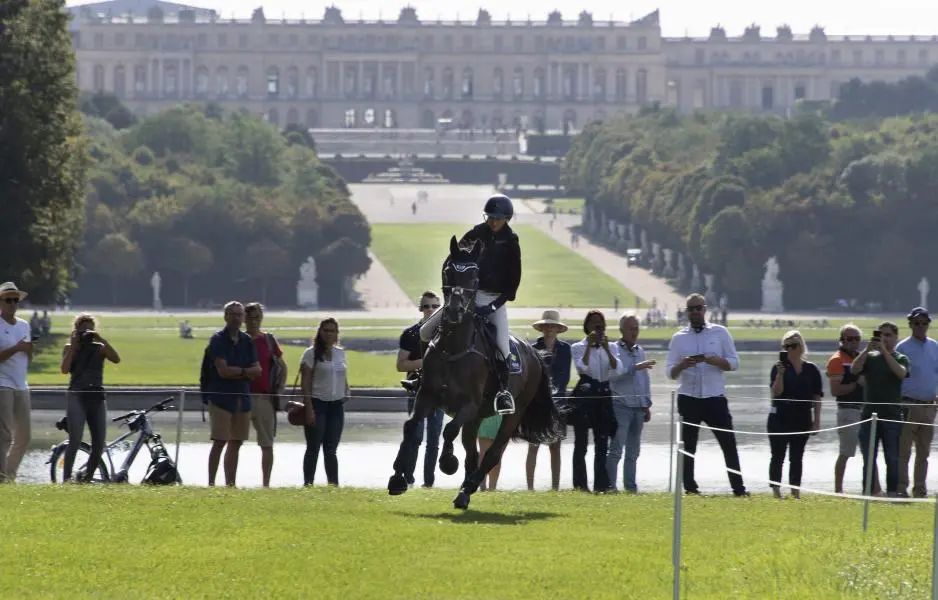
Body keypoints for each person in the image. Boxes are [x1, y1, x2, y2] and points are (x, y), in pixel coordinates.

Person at [666, 293, 748, 496]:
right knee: (688, 447)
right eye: (691, 309)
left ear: (705, 309)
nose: (694, 312)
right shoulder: (678, 338)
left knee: (728, 444)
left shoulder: (720, 333)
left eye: (698, 308)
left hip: (714, 397)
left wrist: (715, 361)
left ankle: (738, 488)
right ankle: (690, 488)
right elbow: (669, 372)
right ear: (686, 312)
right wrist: (682, 365)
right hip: (689, 398)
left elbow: (734, 363)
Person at [457, 194, 522, 415]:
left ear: (507, 219)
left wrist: (491, 308)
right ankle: (422, 378)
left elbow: (512, 286)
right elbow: (455, 257)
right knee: (429, 330)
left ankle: (503, 393)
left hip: (494, 300)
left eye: (498, 218)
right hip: (467, 295)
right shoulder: (475, 233)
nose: (493, 221)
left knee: (503, 347)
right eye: (491, 217)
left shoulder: (512, 243)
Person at [205, 301, 261, 487]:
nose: (237, 318)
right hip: (221, 397)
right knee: (220, 441)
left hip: (242, 398)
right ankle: (211, 483)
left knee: (236, 442)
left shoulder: (247, 341)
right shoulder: (218, 340)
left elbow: (257, 369)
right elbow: (223, 371)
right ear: (225, 316)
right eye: (233, 314)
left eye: (240, 314)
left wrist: (239, 371)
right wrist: (245, 372)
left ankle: (231, 484)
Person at [59, 314, 120, 482]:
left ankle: (87, 479)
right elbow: (64, 370)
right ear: (76, 330)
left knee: (99, 444)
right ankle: (66, 480)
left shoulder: (99, 347)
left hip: (97, 397)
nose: (86, 333)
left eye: (90, 329)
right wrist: (73, 346)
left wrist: (100, 339)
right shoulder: (69, 347)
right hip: (77, 395)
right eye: (83, 329)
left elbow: (116, 359)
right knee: (75, 439)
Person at [852, 322, 910, 497]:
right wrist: (866, 350)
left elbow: (900, 373)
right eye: (881, 335)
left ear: (895, 337)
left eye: (888, 335)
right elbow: (854, 369)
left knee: (892, 457)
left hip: (891, 415)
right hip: (870, 415)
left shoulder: (901, 358)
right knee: (869, 458)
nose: (884, 338)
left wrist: (884, 352)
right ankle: (869, 492)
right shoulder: (870, 357)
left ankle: (892, 492)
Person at [396, 291, 445, 488]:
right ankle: (408, 478)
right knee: (415, 437)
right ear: (420, 309)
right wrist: (427, 362)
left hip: (440, 393)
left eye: (434, 306)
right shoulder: (410, 334)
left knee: (433, 441)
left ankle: (429, 482)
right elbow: (400, 365)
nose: (430, 310)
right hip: (417, 391)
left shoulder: (446, 335)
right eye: (426, 306)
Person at [768, 331, 822, 499]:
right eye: (786, 346)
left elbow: (817, 396)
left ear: (801, 347)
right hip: (780, 417)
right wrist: (781, 374)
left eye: (793, 346)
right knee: (778, 455)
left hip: (802, 417)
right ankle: (776, 490)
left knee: (797, 457)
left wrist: (817, 421)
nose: (789, 349)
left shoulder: (811, 369)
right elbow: (777, 392)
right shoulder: (778, 368)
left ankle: (795, 491)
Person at [570, 310, 618, 492]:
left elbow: (617, 369)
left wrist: (605, 348)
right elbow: (582, 368)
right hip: (586, 394)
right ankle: (580, 485)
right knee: (581, 443)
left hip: (604, 394)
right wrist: (590, 346)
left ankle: (601, 485)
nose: (598, 327)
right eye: (594, 324)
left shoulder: (611, 347)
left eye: (601, 324)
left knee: (602, 442)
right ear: (587, 326)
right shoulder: (577, 347)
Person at [607, 314, 654, 493]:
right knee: (616, 449)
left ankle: (631, 487)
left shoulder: (639, 350)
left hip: (639, 408)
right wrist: (634, 368)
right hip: (621, 405)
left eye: (636, 328)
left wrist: (647, 403)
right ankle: (610, 486)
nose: (634, 332)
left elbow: (644, 378)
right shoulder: (613, 349)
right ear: (622, 330)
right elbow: (611, 376)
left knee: (633, 452)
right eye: (631, 328)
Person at [827, 324, 876, 495]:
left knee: (869, 452)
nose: (853, 342)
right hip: (847, 409)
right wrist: (856, 384)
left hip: (866, 410)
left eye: (857, 338)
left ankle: (873, 489)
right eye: (849, 338)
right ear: (842, 340)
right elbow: (836, 390)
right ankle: (838, 490)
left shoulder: (863, 357)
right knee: (846, 451)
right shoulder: (837, 359)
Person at [300, 318, 348, 486]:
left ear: (337, 334)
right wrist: (309, 408)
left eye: (332, 330)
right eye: (326, 330)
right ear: (320, 332)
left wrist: (346, 391)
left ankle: (333, 485)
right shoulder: (310, 354)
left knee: (331, 449)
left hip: (336, 405)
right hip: (317, 403)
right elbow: (305, 383)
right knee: (313, 447)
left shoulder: (340, 353)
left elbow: (342, 374)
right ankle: (308, 484)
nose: (329, 334)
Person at [527, 310, 572, 491]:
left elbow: (564, 377)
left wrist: (553, 394)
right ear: (542, 327)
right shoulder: (533, 348)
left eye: (552, 325)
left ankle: (555, 487)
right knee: (533, 446)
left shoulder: (565, 349)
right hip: (537, 402)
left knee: (555, 446)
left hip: (558, 403)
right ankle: (530, 488)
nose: (549, 328)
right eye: (546, 325)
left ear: (558, 329)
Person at [896, 307, 938, 498]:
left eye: (924, 323)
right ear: (910, 324)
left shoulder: (934, 346)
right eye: (916, 323)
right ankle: (901, 488)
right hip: (909, 405)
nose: (920, 326)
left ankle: (920, 489)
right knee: (904, 451)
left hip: (930, 406)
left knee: (924, 453)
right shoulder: (903, 347)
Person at [245, 303, 287, 488]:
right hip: (241, 398)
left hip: (264, 398)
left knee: (267, 443)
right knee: (234, 441)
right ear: (244, 319)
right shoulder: (238, 339)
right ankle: (229, 485)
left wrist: (279, 389)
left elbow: (282, 365)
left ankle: (266, 484)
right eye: (250, 317)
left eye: (257, 317)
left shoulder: (268, 340)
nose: (254, 321)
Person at [0, 282, 32, 482]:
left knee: (24, 436)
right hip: (2, 384)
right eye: (8, 300)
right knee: (4, 434)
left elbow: (27, 354)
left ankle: (8, 475)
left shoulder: (24, 325)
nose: (13, 303)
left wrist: (28, 350)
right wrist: (17, 348)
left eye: (15, 300)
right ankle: (2, 477)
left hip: (21, 384)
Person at [477, 414, 502, 491]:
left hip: (489, 414)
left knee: (485, 454)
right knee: (494, 453)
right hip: (496, 414)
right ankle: (489, 487)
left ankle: (487, 486)